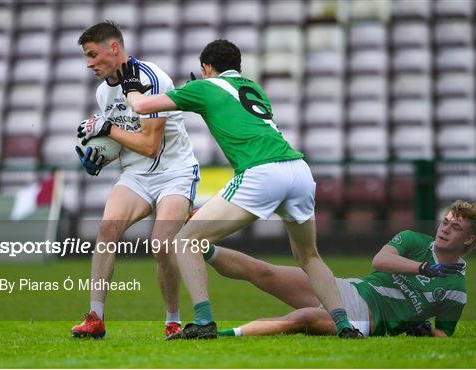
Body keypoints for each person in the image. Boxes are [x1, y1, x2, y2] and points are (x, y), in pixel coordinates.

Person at [90, 39, 362, 339]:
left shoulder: (205, 87)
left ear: (206, 67)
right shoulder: (252, 88)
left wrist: (130, 85)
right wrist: (195, 93)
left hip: (262, 172)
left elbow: (140, 105)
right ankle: (345, 325)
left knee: (184, 241)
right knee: (310, 257)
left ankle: (204, 321)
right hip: (298, 170)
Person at [71, 21, 200, 338]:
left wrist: (107, 130)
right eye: (86, 57)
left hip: (175, 171)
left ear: (114, 48)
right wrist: (101, 157)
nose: (89, 63)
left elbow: (150, 144)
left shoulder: (151, 78)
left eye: (93, 55)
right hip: (137, 174)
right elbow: (123, 140)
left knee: (160, 244)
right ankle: (95, 317)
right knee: (107, 228)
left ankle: (172, 318)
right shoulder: (103, 92)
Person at [199, 200, 476, 338]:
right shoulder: (415, 241)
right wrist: (423, 268)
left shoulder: (455, 291)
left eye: (455, 226)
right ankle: (194, 246)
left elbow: (444, 337)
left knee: (303, 318)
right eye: (445, 221)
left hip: (365, 319)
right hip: (347, 288)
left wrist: (423, 332)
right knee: (264, 272)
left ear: (469, 239)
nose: (445, 228)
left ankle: (219, 335)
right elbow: (380, 261)